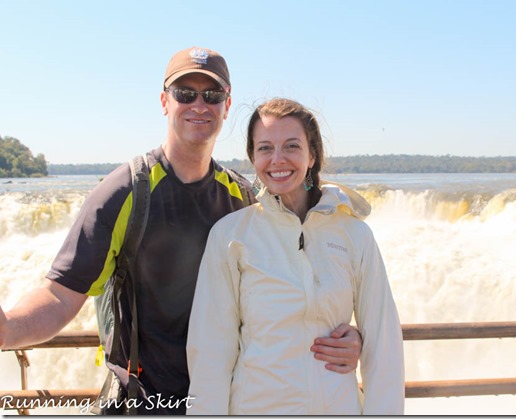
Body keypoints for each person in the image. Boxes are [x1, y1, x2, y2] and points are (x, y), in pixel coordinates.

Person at [0, 47, 363, 415]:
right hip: (145, 402)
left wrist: (347, 336)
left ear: (226, 104)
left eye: (212, 95)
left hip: (230, 400)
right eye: (185, 93)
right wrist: (9, 329)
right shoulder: (125, 192)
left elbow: (290, 292)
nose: (199, 104)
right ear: (164, 101)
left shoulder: (244, 198)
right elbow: (61, 296)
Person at [186, 98, 405, 415]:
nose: (277, 159)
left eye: (291, 146)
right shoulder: (231, 236)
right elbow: (210, 352)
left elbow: (383, 346)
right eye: (264, 148)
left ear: (312, 154)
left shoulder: (355, 235)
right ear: (252, 156)